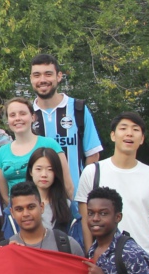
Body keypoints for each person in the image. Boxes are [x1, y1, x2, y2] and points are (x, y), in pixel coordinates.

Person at [74, 112, 149, 268]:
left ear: (142, 139)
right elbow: (86, 222)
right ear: (113, 135)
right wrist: (91, 257)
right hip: (104, 262)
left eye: (135, 129)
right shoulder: (92, 172)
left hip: (145, 261)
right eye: (123, 128)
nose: (129, 133)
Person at [29, 53, 103, 188]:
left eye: (48, 74)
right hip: (39, 197)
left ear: (59, 76)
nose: (42, 80)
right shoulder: (26, 115)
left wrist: (84, 191)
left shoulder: (77, 109)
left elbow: (93, 154)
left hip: (75, 197)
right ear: (31, 79)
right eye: (37, 75)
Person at [0, 98, 72, 206]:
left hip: (50, 209)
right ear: (7, 120)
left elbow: (67, 186)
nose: (17, 118)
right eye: (12, 115)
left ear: (33, 117)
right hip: (17, 211)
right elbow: (5, 196)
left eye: (22, 113)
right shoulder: (1, 153)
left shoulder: (50, 144)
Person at [6, 182, 84, 255]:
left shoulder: (68, 245)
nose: (26, 214)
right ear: (12, 212)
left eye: (31, 207)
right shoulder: (6, 249)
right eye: (19, 209)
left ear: (41, 207)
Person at [26, 147, 74, 236]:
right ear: (30, 171)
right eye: (39, 169)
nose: (44, 174)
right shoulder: (19, 205)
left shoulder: (67, 205)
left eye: (50, 169)